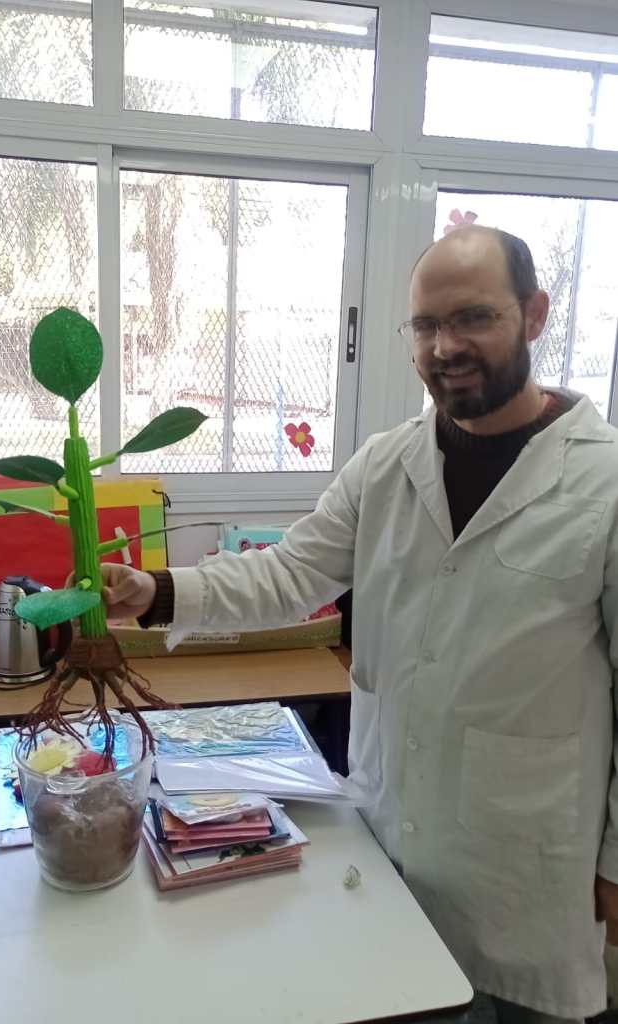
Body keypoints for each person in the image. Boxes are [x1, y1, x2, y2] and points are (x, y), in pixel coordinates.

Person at [101, 226, 618, 1023]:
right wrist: (154, 590)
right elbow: (287, 574)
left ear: (535, 314)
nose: (445, 347)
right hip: (389, 827)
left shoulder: (602, 479)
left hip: (527, 855)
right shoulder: (384, 464)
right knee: (398, 998)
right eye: (425, 325)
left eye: (473, 318)